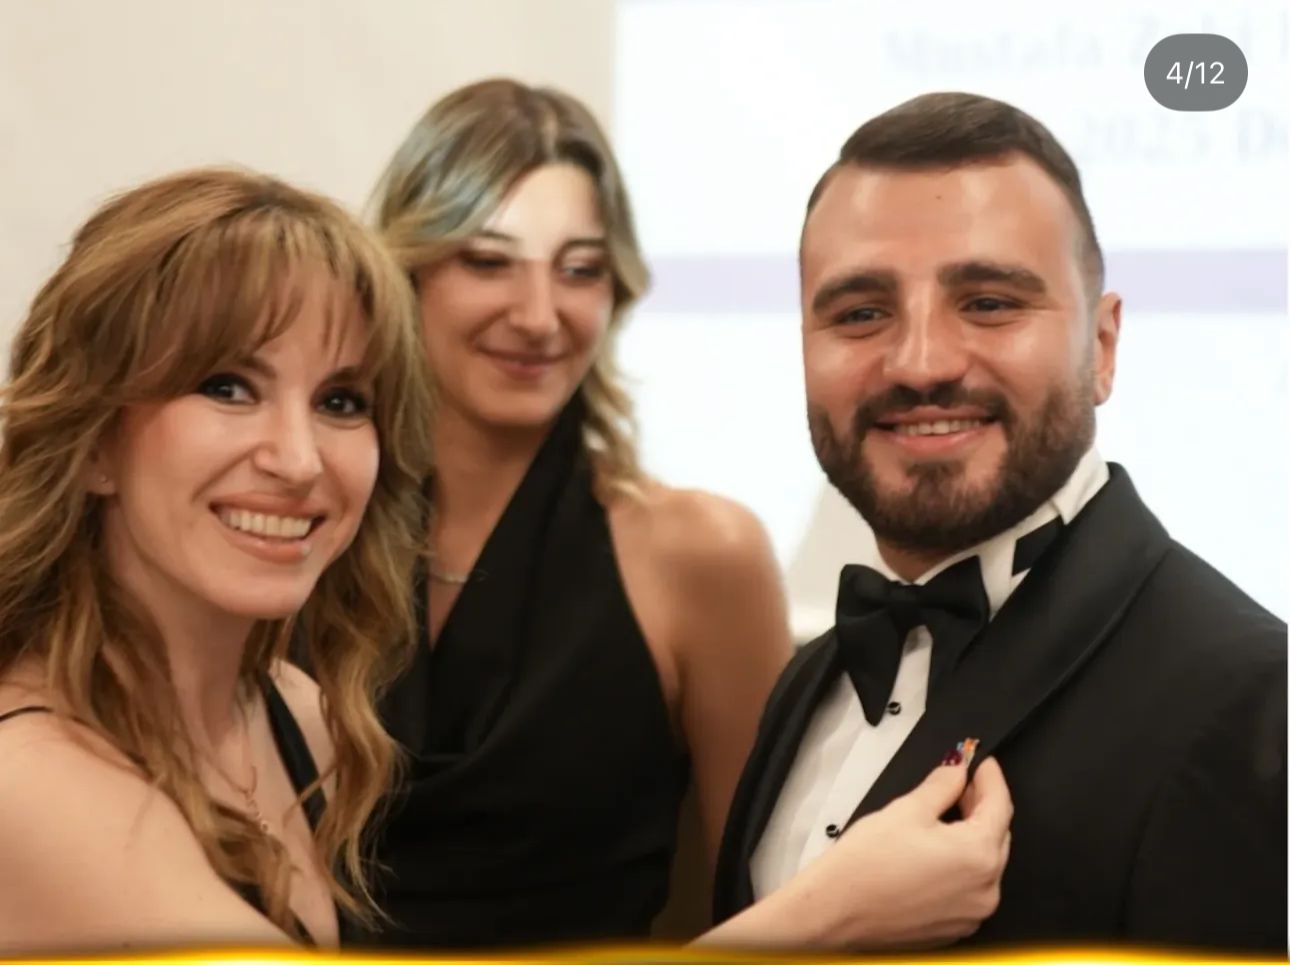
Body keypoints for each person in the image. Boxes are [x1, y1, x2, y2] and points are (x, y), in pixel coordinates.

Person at [358, 78, 1013, 951]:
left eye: (580, 269)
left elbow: (765, 898)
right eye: (487, 261)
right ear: (405, 271)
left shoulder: (700, 554)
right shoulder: (314, 530)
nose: (539, 315)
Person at [713, 92, 1288, 953]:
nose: (921, 363)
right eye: (861, 312)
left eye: (987, 302)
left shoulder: (1255, 704)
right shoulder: (808, 680)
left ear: (1102, 347)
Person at [0, 168, 434, 952]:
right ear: (94, 443)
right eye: (228, 387)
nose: (299, 460)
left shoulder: (296, 710)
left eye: (340, 401)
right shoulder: (30, 781)